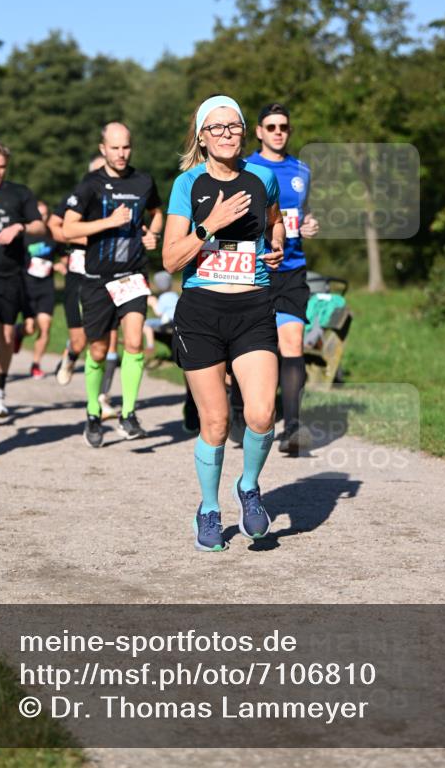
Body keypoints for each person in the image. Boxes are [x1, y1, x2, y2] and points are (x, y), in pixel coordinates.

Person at [163, 95, 285, 551]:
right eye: (217, 128)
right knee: (214, 422)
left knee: (261, 413)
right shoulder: (187, 184)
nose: (227, 134)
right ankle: (209, 509)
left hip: (253, 307)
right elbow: (172, 258)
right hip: (202, 312)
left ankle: (249, 487)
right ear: (202, 137)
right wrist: (208, 225)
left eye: (233, 126)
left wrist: (275, 244)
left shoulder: (263, 178)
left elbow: (275, 223)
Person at [62, 122, 163, 447]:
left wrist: (152, 234)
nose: (121, 154)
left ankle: (128, 414)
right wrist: (109, 222)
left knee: (134, 342)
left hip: (132, 275)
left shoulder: (143, 180)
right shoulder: (90, 185)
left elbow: (157, 212)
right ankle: (93, 412)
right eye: (115, 148)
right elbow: (67, 229)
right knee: (99, 349)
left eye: (126, 147)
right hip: (96, 279)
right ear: (103, 148)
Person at [242, 102, 319, 455]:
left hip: (291, 270)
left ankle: (293, 428)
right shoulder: (246, 167)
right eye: (271, 126)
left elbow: (305, 214)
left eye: (283, 126)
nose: (278, 132)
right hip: (252, 270)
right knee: (246, 348)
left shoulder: (301, 169)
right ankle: (236, 413)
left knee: (292, 343)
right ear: (259, 131)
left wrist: (309, 224)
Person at [0, 141, 45, 417]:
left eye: (2, 167)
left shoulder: (19, 193)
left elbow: (40, 226)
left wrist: (19, 226)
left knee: (4, 336)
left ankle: (0, 386)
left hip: (12, 275)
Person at [50, 156, 105, 388]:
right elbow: (53, 226)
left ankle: (102, 395)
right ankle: (71, 355)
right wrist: (85, 237)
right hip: (79, 271)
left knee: (106, 340)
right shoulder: (77, 197)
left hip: (110, 273)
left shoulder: (123, 198)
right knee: (79, 339)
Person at [20, 200, 64, 379]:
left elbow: (63, 254)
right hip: (27, 286)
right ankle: (18, 332)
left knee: (45, 328)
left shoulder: (52, 235)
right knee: (30, 328)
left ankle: (36, 364)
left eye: (45, 215)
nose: (42, 218)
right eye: (39, 215)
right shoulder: (24, 236)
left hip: (46, 286)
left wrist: (61, 264)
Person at [143, 270, 179, 365]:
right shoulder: (174, 295)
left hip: (167, 322)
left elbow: (159, 313)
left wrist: (153, 303)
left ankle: (150, 345)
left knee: (146, 323)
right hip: (176, 321)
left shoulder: (163, 297)